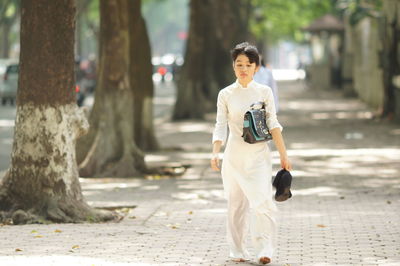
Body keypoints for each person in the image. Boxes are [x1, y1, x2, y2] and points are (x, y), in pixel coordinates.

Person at [210, 42, 292, 265]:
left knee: (262, 202)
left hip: (258, 157)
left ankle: (264, 249)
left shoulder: (264, 92)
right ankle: (237, 251)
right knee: (236, 206)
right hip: (233, 158)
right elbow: (220, 125)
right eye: (239, 64)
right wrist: (215, 152)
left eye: (248, 64)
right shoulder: (225, 94)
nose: (243, 68)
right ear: (233, 67)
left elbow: (273, 122)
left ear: (256, 67)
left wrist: (284, 154)